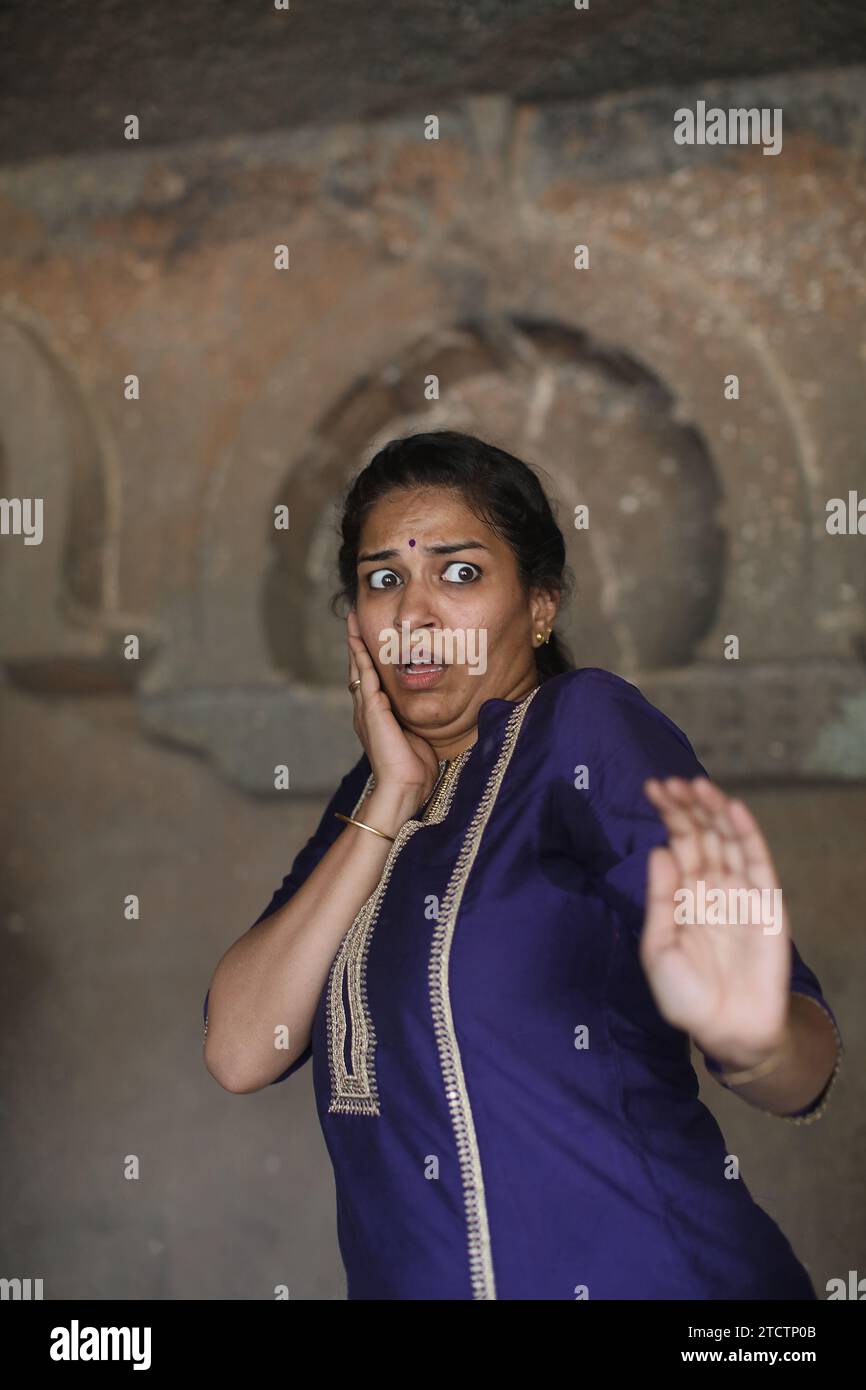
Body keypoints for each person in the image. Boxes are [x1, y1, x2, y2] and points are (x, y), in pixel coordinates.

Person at [203, 430, 843, 1300]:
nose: (416, 615)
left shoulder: (582, 730)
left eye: (459, 573)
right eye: (383, 579)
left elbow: (800, 1061)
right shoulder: (372, 799)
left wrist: (756, 1038)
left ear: (540, 607)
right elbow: (241, 1051)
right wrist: (389, 798)